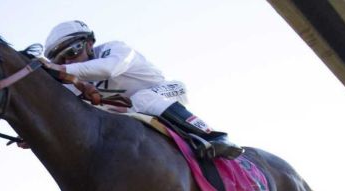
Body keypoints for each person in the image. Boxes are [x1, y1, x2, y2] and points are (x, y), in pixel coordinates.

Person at [44, 20, 243, 160]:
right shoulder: (71, 76)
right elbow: (64, 111)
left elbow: (109, 68)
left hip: (167, 91)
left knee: (142, 98)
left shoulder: (114, 49)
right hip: (132, 112)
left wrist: (59, 69)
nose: (68, 61)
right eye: (60, 59)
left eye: (72, 52)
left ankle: (213, 136)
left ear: (89, 44)